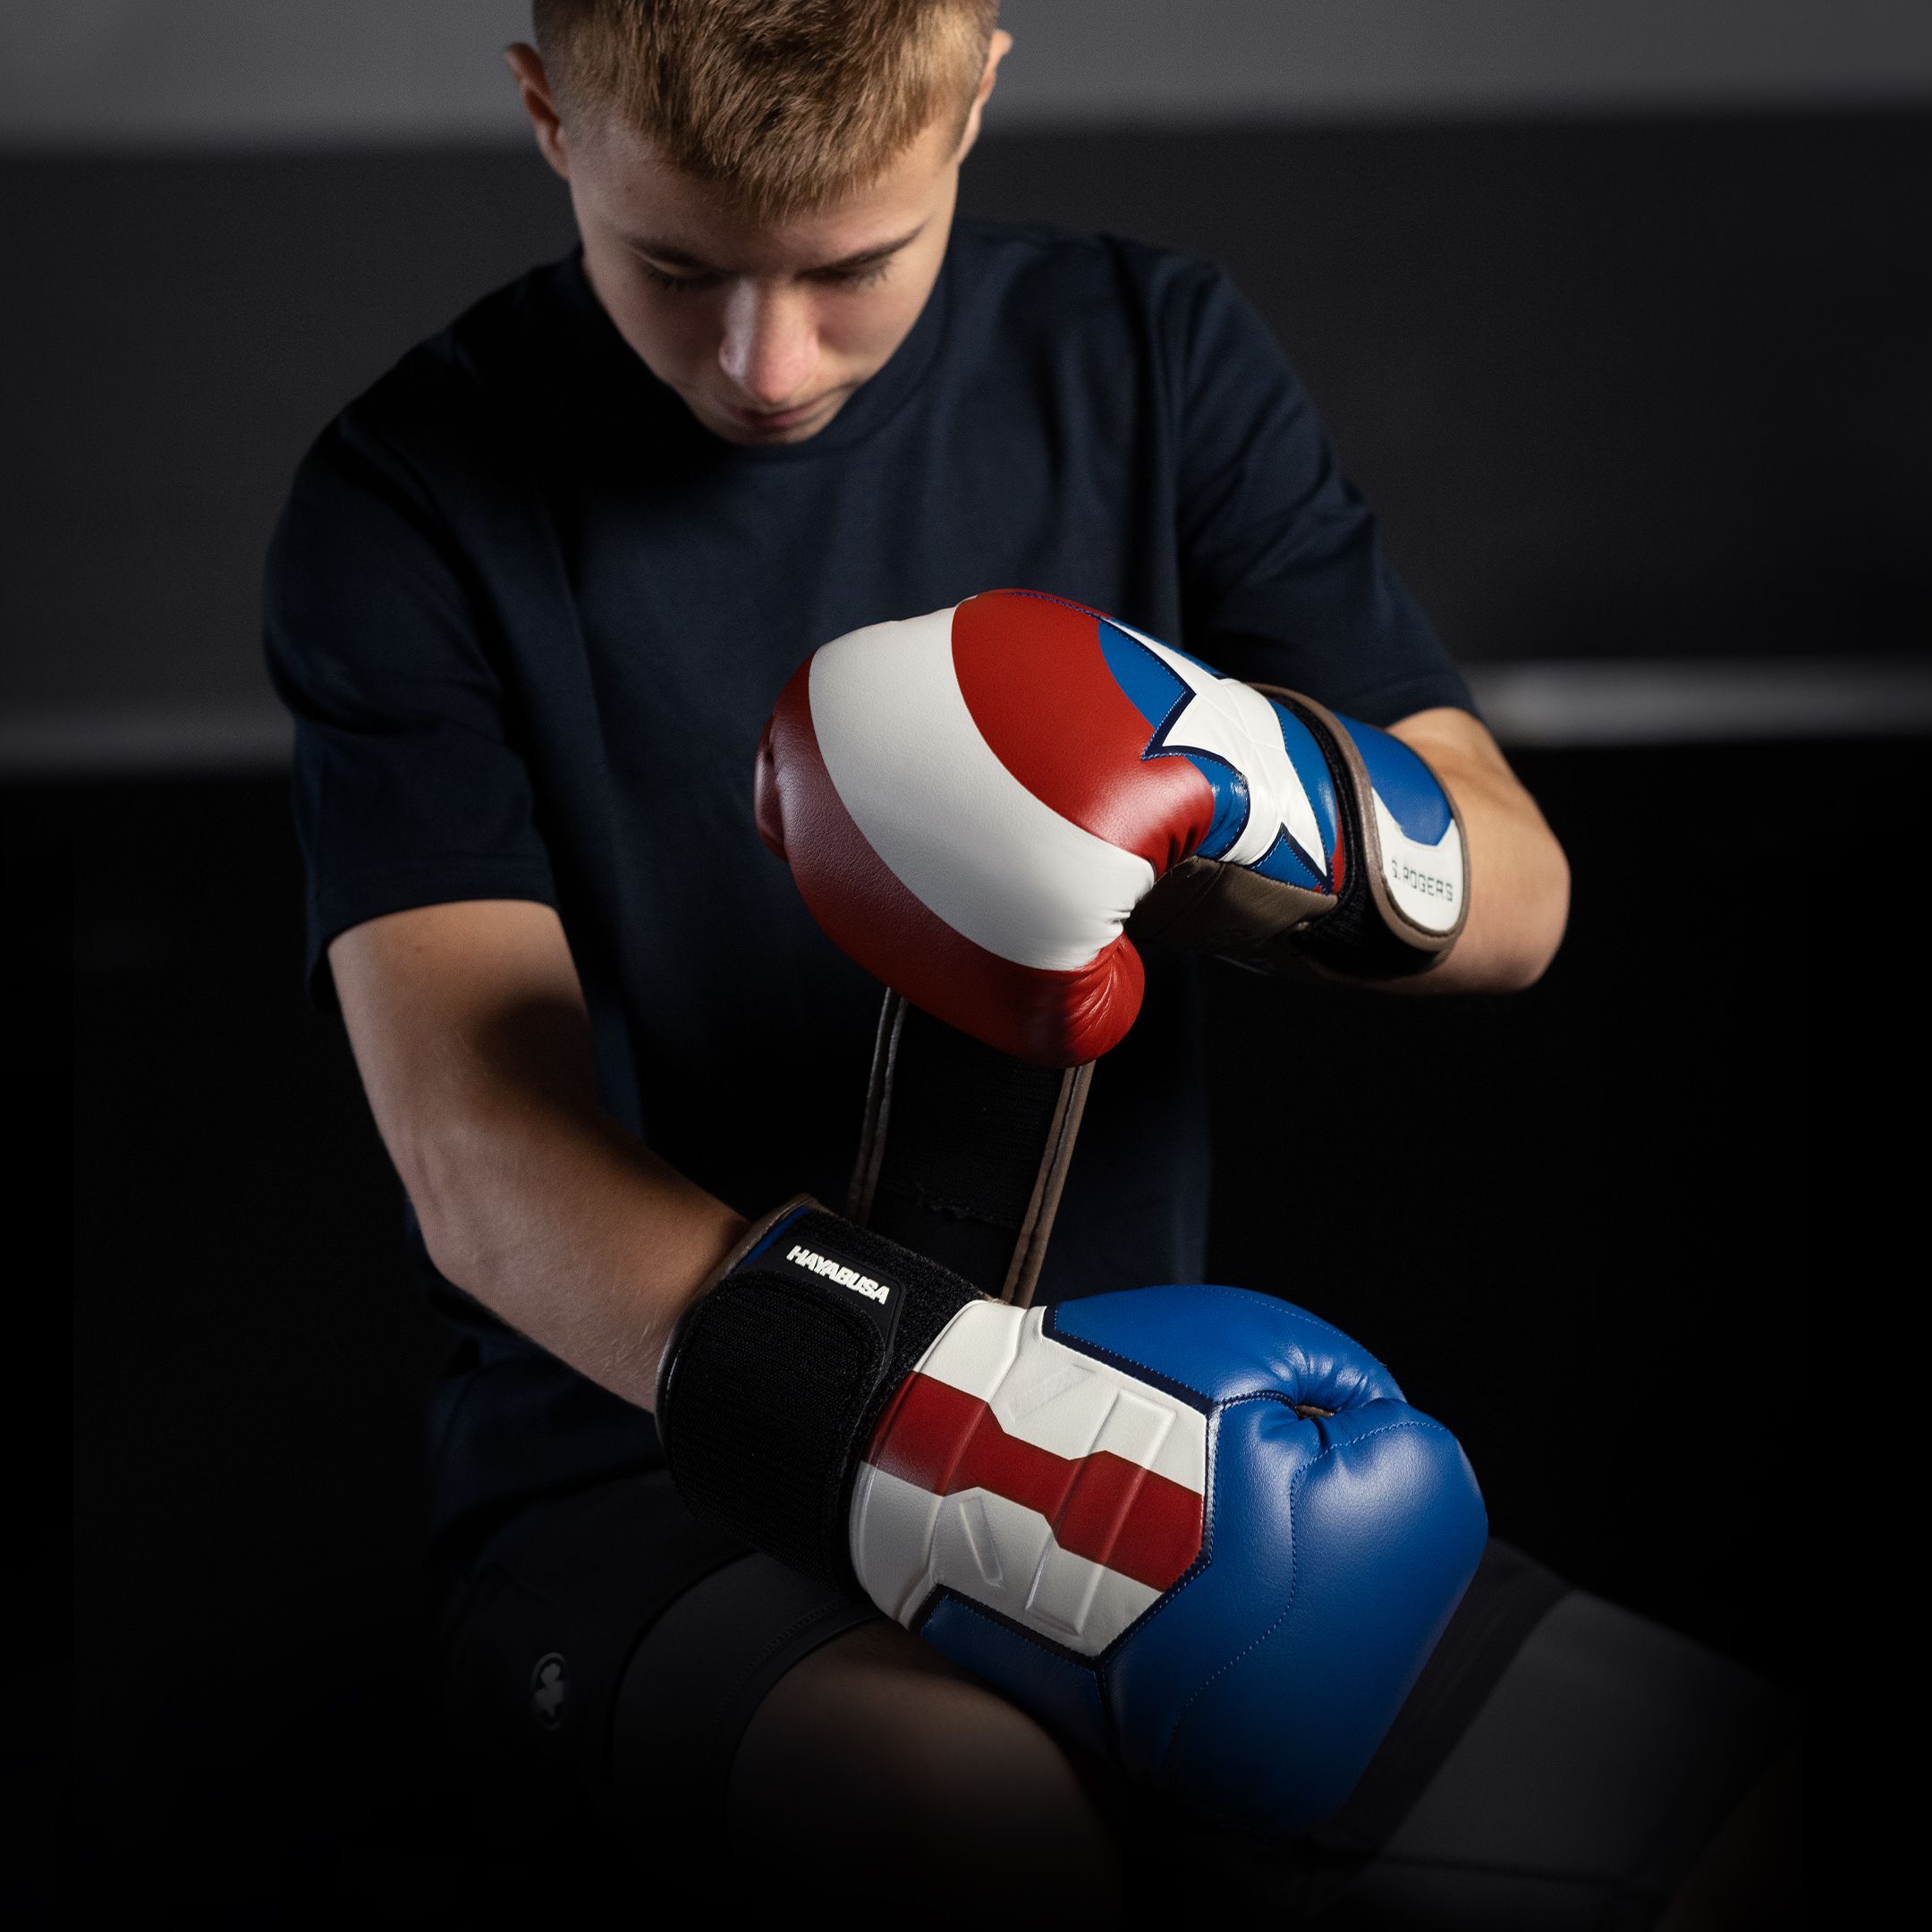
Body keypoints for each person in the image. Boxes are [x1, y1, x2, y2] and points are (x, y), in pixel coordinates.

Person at [264, 3, 1793, 1922]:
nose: (765, 362)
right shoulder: (410, 499)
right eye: (678, 268)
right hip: (657, 1474)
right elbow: (483, 1163)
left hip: (1157, 1443)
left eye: (850, 268)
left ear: (977, 92)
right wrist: (991, 1451)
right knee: (970, 1824)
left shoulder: (1149, 356)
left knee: (1743, 1816)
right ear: (544, 111)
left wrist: (1249, 786)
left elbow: (1520, 896)